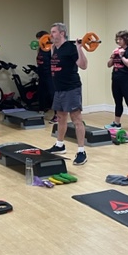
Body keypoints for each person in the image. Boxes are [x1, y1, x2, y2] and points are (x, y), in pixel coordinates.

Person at [44, 22, 88, 166]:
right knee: (61, 117)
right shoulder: (54, 48)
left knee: (76, 119)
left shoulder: (71, 47)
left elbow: (83, 65)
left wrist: (79, 48)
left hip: (71, 88)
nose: (51, 34)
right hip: (59, 89)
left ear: (62, 33)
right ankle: (60, 145)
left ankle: (81, 151)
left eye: (54, 32)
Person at [104, 30, 128, 135]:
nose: (118, 41)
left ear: (126, 40)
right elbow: (109, 65)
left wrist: (121, 56)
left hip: (127, 80)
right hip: (116, 79)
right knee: (117, 102)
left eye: (120, 39)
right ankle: (117, 123)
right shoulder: (117, 50)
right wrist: (113, 56)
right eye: (117, 39)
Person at [35, 30, 57, 124]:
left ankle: (57, 115)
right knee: (41, 93)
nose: (38, 41)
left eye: (39, 39)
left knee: (52, 94)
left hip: (50, 75)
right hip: (41, 74)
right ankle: (41, 110)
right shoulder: (40, 48)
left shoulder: (51, 48)